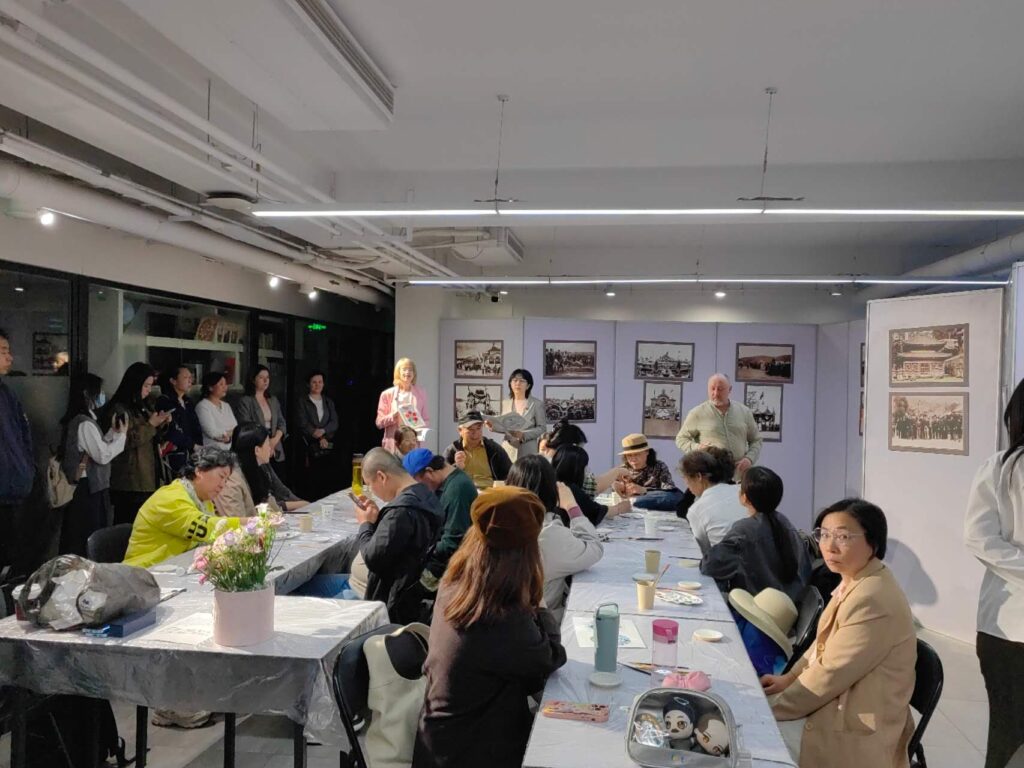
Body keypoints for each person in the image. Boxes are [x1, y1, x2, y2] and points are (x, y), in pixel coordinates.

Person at [412, 486, 567, 768]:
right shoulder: (500, 614)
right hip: (474, 751)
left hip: (440, 742)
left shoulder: (456, 585)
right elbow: (549, 658)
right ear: (527, 554)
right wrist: (541, 605)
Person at [762, 499, 916, 768]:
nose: (829, 546)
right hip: (837, 701)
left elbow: (829, 674)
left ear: (873, 542)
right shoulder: (855, 579)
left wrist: (769, 710)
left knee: (751, 739)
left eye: (843, 537)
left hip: (852, 728)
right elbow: (820, 646)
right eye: (824, 534)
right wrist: (789, 679)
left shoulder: (872, 598)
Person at [964, 378, 1024, 768]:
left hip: (1004, 627)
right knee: (1009, 738)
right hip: (1009, 630)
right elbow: (980, 538)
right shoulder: (1002, 469)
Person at [346, 449, 443, 622]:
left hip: (388, 602)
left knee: (316, 586)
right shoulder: (427, 495)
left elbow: (373, 558)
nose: (372, 491)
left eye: (370, 484)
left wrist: (365, 524)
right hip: (411, 593)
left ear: (381, 477)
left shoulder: (400, 512)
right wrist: (377, 520)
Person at [507, 454, 603, 617]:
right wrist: (572, 506)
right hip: (538, 623)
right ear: (552, 490)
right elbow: (594, 548)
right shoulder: (548, 533)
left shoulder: (497, 523)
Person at [701, 466, 810, 602]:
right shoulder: (786, 524)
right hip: (792, 607)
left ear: (745, 498)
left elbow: (709, 566)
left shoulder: (744, 530)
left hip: (754, 609)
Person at [123, 447, 245, 568]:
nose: (223, 485)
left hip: (175, 568)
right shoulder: (170, 498)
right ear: (199, 471)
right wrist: (249, 524)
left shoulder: (204, 500)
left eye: (226, 480)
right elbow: (208, 528)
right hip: (143, 571)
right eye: (221, 476)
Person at [57, 373, 127, 555]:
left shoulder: (85, 421)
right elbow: (102, 455)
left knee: (83, 533)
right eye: (100, 391)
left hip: (90, 486)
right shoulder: (84, 423)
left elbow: (98, 446)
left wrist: (113, 434)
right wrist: (121, 436)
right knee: (86, 535)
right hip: (87, 487)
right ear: (87, 394)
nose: (103, 395)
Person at [675, 373, 762, 516]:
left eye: (720, 389)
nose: (715, 393)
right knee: (697, 512)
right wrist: (697, 448)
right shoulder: (697, 413)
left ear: (730, 390)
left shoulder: (744, 412)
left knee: (739, 513)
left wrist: (749, 459)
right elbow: (681, 439)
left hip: (738, 476)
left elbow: (756, 440)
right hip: (710, 477)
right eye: (712, 389)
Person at [403, 448, 477, 588]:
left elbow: (452, 542)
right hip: (439, 558)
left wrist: (418, 552)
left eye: (419, 485)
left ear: (429, 472)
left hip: (451, 567)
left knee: (401, 588)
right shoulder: (446, 484)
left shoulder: (457, 489)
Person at [109, 362, 172, 526]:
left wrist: (161, 423)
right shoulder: (120, 409)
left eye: (150, 386)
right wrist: (151, 424)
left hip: (148, 475)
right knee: (127, 524)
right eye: (146, 386)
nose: (148, 390)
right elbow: (124, 440)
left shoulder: (144, 405)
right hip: (130, 478)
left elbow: (153, 435)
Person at [0, 328, 36, 573]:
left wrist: (27, 469)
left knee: (9, 560)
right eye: (3, 351)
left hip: (12, 491)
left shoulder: (7, 394)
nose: (10, 357)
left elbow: (23, 437)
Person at [215, 422, 306, 516]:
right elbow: (237, 521)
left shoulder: (259, 468)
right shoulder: (232, 480)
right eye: (268, 444)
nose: (270, 448)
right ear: (257, 450)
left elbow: (272, 507)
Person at [681, 448, 748, 555]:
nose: (687, 486)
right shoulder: (742, 491)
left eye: (686, 479)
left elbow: (704, 553)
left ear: (698, 476)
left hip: (727, 561)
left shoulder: (697, 509)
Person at [539, 419, 627, 497]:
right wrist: (616, 472)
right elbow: (591, 488)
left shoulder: (552, 464)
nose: (580, 453)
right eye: (579, 448)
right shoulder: (548, 472)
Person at [552, 444, 629, 526]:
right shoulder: (568, 488)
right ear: (577, 468)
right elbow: (594, 511)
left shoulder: (550, 482)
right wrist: (619, 508)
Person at [235, 365, 287, 480]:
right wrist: (266, 443)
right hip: (257, 447)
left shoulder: (273, 399)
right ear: (253, 380)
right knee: (261, 481)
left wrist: (274, 441)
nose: (265, 380)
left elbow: (282, 423)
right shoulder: (245, 401)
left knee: (279, 480)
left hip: (276, 446)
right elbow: (246, 425)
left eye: (267, 377)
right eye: (261, 377)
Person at [295, 370, 339, 500]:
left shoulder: (328, 402)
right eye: (314, 382)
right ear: (308, 384)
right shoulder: (302, 401)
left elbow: (334, 422)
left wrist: (324, 432)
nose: (317, 385)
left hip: (326, 446)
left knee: (327, 479)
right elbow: (302, 422)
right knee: (311, 480)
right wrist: (318, 435)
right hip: (309, 446)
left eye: (320, 382)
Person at [486, 369, 547, 461]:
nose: (518, 383)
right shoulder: (505, 403)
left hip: (528, 450)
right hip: (508, 449)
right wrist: (493, 427)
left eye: (522, 381)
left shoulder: (537, 404)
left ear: (528, 385)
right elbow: (504, 426)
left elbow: (542, 428)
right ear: (510, 384)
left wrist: (523, 435)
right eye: (515, 380)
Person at [612, 433, 684, 511]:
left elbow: (669, 489)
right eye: (629, 455)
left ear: (647, 452)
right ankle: (635, 502)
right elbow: (617, 490)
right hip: (633, 504)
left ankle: (636, 501)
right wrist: (617, 487)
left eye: (637, 454)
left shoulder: (659, 466)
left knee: (677, 496)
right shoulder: (622, 470)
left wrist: (644, 490)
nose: (633, 459)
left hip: (657, 500)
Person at [443, 411, 511, 489]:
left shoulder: (494, 449)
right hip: (462, 492)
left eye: (478, 428)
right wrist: (457, 467)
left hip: (489, 492)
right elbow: (441, 480)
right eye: (470, 429)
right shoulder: (452, 451)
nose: (475, 433)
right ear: (460, 431)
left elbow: (510, 474)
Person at [155, 365, 201, 478]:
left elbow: (196, 427)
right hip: (175, 456)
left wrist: (198, 446)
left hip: (193, 454)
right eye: (185, 377)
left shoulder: (188, 402)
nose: (190, 381)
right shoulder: (165, 401)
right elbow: (171, 431)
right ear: (173, 381)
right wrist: (192, 445)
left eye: (191, 377)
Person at [376, 358, 430, 453]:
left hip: (414, 445)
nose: (407, 372)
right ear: (398, 372)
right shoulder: (387, 394)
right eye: (404, 369)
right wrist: (393, 416)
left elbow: (426, 419)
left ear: (414, 373)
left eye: (410, 369)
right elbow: (379, 422)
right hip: (394, 445)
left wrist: (419, 427)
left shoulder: (421, 393)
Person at [194, 371, 236, 450]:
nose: (225, 387)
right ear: (210, 387)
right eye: (221, 384)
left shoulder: (226, 406)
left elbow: (235, 428)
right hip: (211, 450)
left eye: (225, 384)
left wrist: (227, 435)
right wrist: (228, 433)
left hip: (230, 448)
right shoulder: (202, 406)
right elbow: (212, 433)